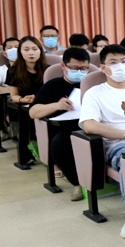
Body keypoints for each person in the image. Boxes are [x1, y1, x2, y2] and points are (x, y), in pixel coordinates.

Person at [79, 44, 125, 238]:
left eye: (123, 61)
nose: (120, 66)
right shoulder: (95, 93)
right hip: (119, 145)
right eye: (113, 62)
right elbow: (89, 125)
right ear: (103, 67)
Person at [28, 48, 89, 201]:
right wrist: (57, 105)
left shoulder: (92, 84)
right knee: (60, 145)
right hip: (66, 127)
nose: (79, 72)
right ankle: (77, 183)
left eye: (84, 68)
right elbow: (33, 112)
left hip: (92, 123)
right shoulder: (53, 85)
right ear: (63, 66)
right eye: (74, 68)